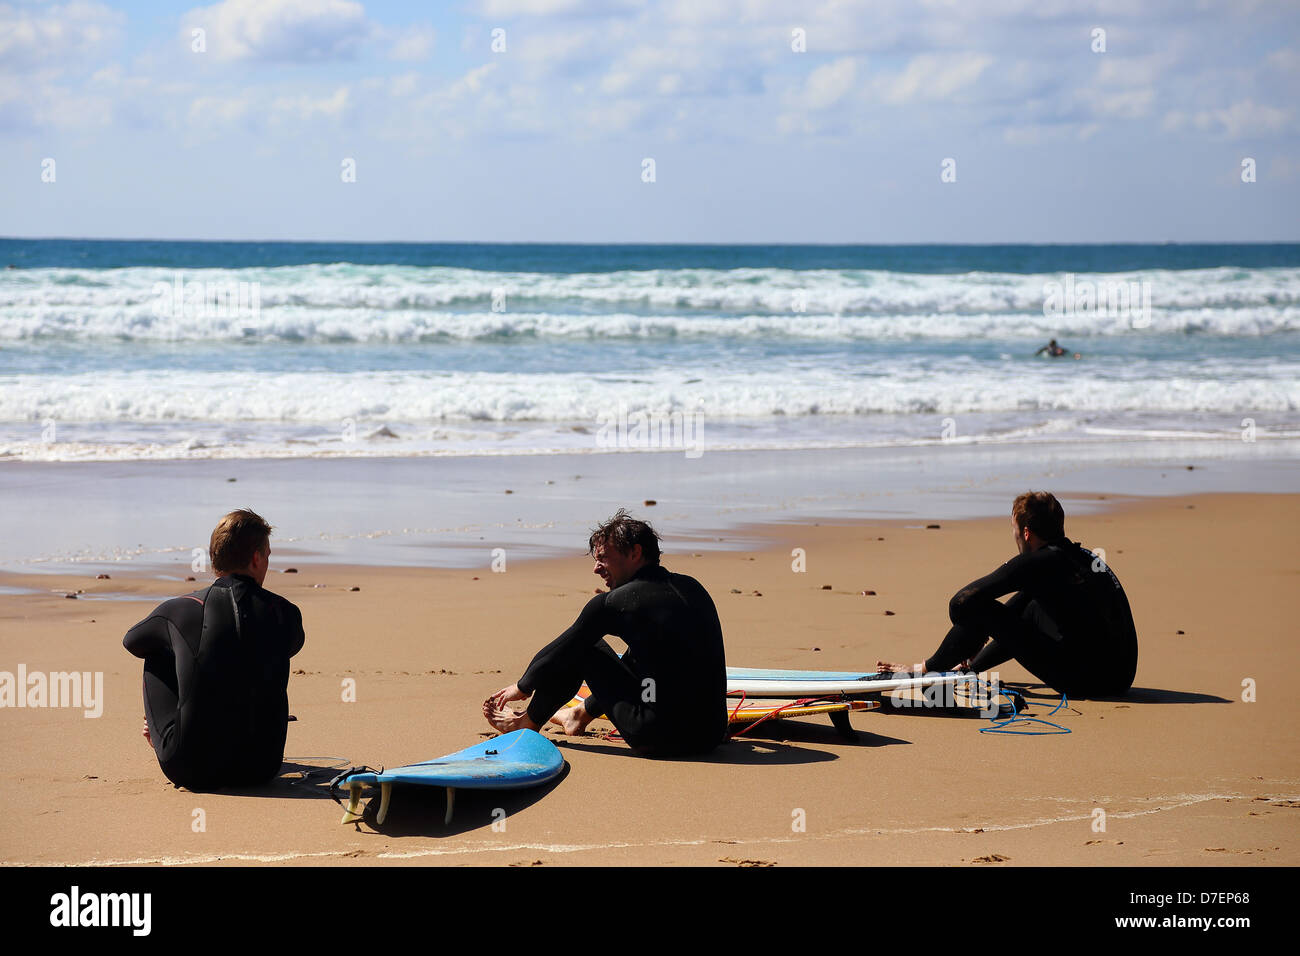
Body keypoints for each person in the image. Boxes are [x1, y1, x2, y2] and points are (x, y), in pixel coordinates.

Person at [483, 510, 727, 757]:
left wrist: (524, 686)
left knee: (583, 647)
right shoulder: (693, 588)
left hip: (656, 738)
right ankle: (578, 715)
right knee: (647, 652)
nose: (596, 569)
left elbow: (561, 651)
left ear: (635, 553)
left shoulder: (614, 603)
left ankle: (528, 722)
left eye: (602, 558)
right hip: (710, 735)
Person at [878, 492, 1137, 698]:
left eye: (1013, 528)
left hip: (1088, 684)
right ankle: (961, 669)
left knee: (980, 609)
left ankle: (927, 671)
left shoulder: (1039, 562)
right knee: (1028, 606)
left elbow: (960, 603)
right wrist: (973, 664)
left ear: (1026, 533)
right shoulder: (1081, 557)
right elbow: (1014, 617)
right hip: (1119, 678)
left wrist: (974, 635)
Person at [124, 509, 305, 790]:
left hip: (189, 769)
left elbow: (132, 642)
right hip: (262, 767)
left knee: (158, 649)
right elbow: (291, 646)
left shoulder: (181, 608)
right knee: (261, 650)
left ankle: (165, 735)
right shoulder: (286, 613)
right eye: (268, 556)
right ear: (256, 558)